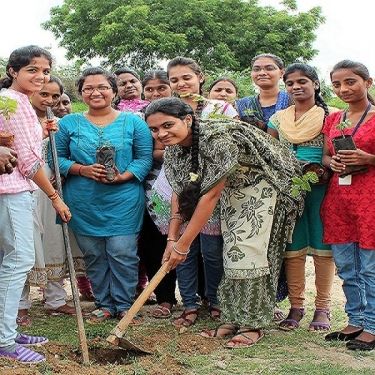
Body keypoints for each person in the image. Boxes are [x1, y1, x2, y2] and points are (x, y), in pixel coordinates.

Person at [145, 97, 303, 348]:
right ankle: (232, 318)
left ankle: (252, 323)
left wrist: (183, 246)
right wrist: (172, 239)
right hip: (236, 188)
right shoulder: (174, 147)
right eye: (154, 129)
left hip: (269, 185)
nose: (161, 133)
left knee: (250, 254)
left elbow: (210, 195)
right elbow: (179, 192)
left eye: (167, 125)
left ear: (187, 119)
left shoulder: (218, 140)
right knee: (231, 251)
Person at [52, 67, 153, 323]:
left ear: (114, 90)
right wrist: (81, 169)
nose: (96, 92)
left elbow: (144, 158)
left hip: (124, 199)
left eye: (103, 87)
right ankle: (104, 304)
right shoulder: (68, 123)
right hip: (83, 201)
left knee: (123, 252)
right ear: (81, 93)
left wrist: (125, 175)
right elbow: (56, 158)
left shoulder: (134, 122)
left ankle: (124, 304)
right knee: (94, 255)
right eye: (88, 88)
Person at [0, 45, 70, 364]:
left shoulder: (18, 103)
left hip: (15, 189)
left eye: (45, 71)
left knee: (14, 261)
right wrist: (55, 197)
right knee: (19, 261)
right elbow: (28, 162)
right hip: (11, 190)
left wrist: (41, 132)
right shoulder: (14, 102)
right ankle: (4, 339)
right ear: (13, 71)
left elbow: (23, 146)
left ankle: (9, 329)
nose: (41, 76)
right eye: (32, 70)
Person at [160, 57, 238, 326]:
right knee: (184, 250)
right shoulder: (167, 115)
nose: (181, 83)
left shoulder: (220, 109)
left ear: (200, 77)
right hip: (182, 190)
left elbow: (230, 151)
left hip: (217, 189)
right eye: (174, 79)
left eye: (186, 78)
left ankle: (214, 300)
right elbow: (177, 182)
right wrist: (173, 238)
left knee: (212, 251)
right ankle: (190, 305)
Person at [267, 63, 335, 332]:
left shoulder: (329, 117)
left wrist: (322, 170)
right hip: (288, 190)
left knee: (322, 247)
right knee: (292, 248)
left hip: (320, 187)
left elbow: (331, 153)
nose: (296, 87)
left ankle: (323, 308)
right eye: (291, 83)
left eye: (302, 81)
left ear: (315, 84)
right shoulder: (278, 119)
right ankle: (296, 307)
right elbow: (270, 154)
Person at [322, 60, 375, 351]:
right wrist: (334, 162)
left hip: (370, 199)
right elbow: (325, 157)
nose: (344, 89)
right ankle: (355, 319)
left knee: (370, 266)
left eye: (351, 82)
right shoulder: (334, 119)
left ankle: (373, 325)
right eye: (338, 84)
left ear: (368, 83)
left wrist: (368, 159)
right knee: (346, 265)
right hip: (340, 200)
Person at [17, 77, 78, 327]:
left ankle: (55, 299)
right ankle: (20, 305)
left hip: (54, 189)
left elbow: (64, 156)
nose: (50, 101)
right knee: (23, 245)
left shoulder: (60, 125)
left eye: (55, 96)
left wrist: (61, 174)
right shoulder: (17, 121)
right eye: (44, 94)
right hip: (23, 188)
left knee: (55, 240)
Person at [137, 70, 177, 319]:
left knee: (192, 245)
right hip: (152, 190)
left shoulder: (183, 114)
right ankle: (164, 298)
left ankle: (202, 297)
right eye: (149, 89)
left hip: (185, 187)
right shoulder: (140, 120)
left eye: (161, 87)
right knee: (153, 244)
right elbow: (143, 153)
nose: (155, 93)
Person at [235, 53, 292, 131]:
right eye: (256, 69)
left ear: (282, 73)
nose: (262, 73)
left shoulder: (293, 100)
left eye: (269, 68)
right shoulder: (241, 104)